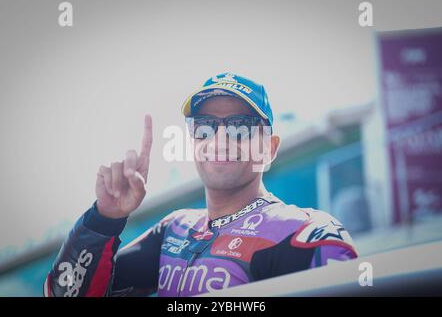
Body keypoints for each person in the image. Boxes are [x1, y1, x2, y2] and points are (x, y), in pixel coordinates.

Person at [44, 73, 357, 297]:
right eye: (205, 127)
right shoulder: (173, 230)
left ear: (270, 148)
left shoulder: (306, 234)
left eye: (240, 128)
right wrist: (105, 218)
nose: (219, 139)